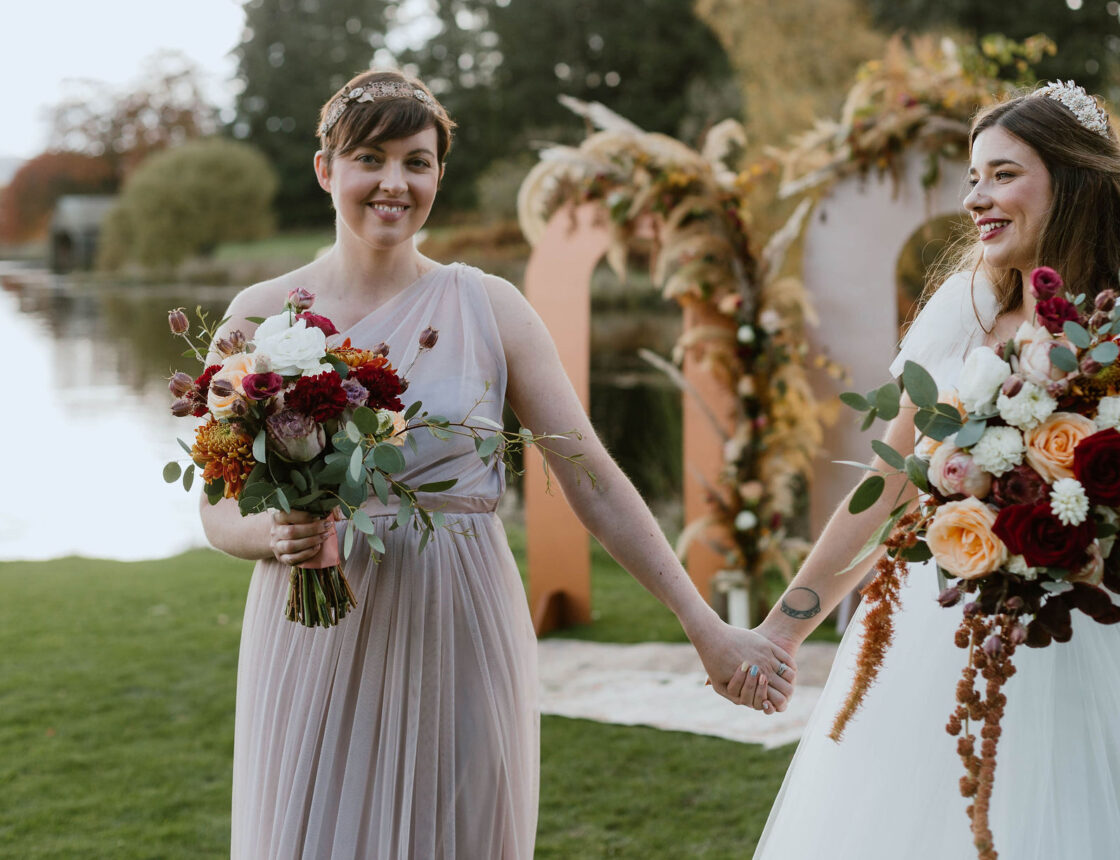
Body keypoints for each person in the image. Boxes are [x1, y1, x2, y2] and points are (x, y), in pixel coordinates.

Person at [199, 70, 792, 859]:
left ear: (440, 175)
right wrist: (276, 537)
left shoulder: (492, 307)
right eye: (370, 158)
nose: (393, 183)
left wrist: (704, 626)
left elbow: (592, 478)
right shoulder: (256, 317)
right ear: (325, 169)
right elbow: (214, 504)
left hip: (459, 625)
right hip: (315, 630)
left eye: (417, 162)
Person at [741, 83, 1120, 858]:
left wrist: (1059, 538)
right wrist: (785, 630)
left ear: (1074, 181)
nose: (974, 199)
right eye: (972, 177)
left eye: (1001, 174)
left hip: (1098, 668)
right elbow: (884, 487)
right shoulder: (960, 314)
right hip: (938, 646)